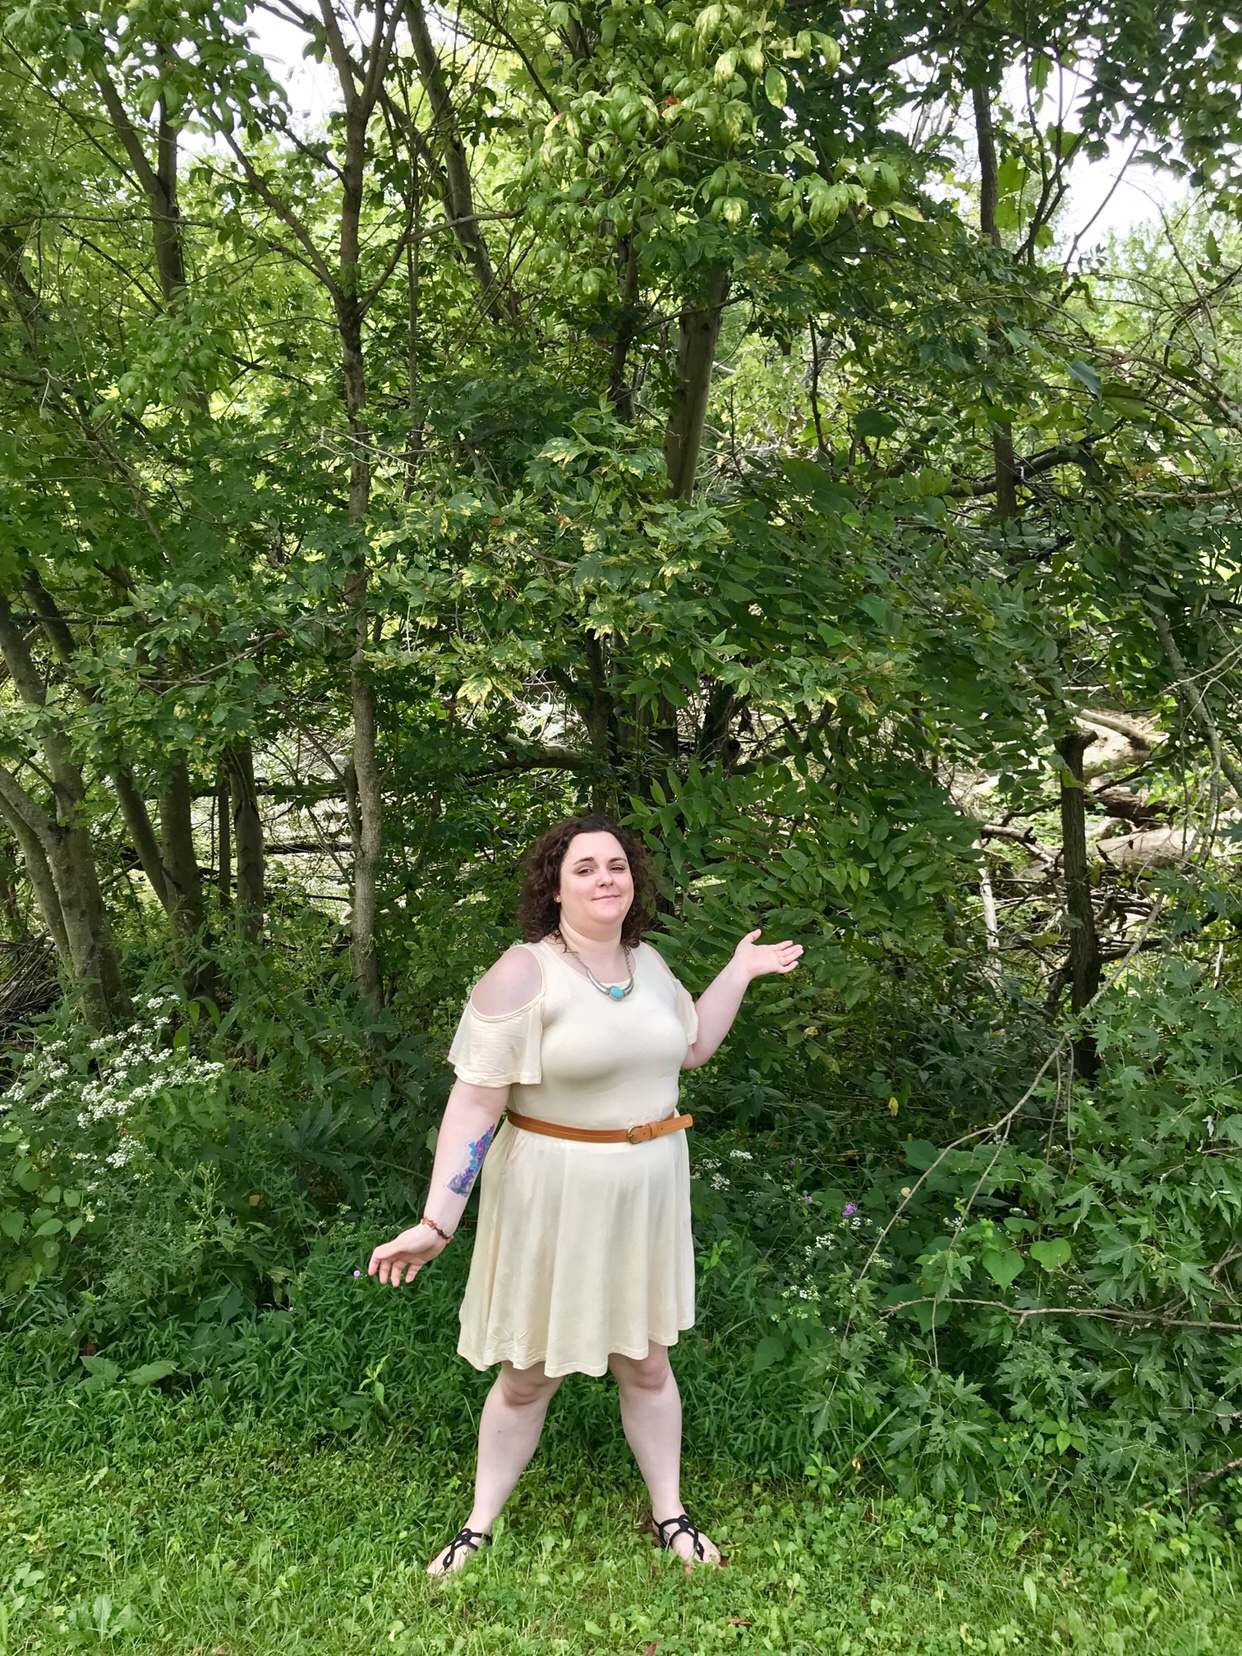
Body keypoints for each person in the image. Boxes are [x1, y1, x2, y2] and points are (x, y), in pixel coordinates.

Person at [368, 814, 802, 1575]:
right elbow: (475, 1105)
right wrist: (438, 1220)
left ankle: (670, 1513)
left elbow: (692, 1047)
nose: (606, 878)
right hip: (553, 1194)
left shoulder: (648, 964)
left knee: (647, 1362)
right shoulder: (523, 974)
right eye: (585, 868)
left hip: (647, 1193)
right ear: (554, 888)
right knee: (529, 1372)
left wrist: (739, 971)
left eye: (616, 865)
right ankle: (478, 1525)